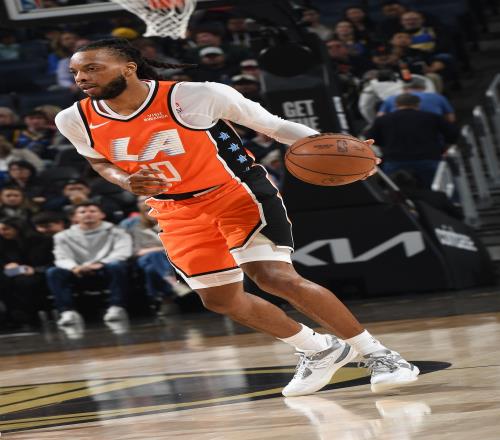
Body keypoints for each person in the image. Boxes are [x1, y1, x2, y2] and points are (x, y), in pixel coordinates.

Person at [54, 38, 419, 397]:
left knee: (273, 276)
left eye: (92, 68)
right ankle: (318, 349)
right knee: (219, 300)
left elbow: (274, 126)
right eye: (75, 72)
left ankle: (380, 355)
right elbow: (98, 162)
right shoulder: (73, 119)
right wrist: (125, 180)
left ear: (129, 68)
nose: (82, 77)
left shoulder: (196, 95)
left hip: (236, 193)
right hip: (174, 209)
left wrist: (339, 149)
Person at [46, 201, 132, 327]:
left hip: (105, 267)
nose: (88, 214)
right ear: (74, 217)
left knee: (117, 266)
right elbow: (61, 257)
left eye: (92, 211)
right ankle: (67, 312)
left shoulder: (117, 231)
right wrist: (74, 267)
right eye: (82, 212)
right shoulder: (62, 236)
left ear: (102, 215)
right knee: (53, 272)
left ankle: (116, 307)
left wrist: (101, 263)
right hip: (77, 270)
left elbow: (123, 252)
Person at [366, 93, 459, 188]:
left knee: (397, 191)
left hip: (395, 160)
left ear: (396, 105)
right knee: (436, 188)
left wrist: (386, 145)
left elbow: (370, 137)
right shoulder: (431, 117)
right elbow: (453, 133)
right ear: (418, 104)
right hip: (428, 158)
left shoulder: (383, 120)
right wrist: (444, 147)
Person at [0, 217, 53, 328]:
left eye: (6, 229)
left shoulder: (41, 241)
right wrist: (6, 265)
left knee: (24, 282)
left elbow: (52, 261)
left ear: (18, 228)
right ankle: (11, 316)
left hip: (40, 271)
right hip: (14, 273)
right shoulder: (3, 243)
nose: (2, 232)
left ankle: (27, 316)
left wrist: (35, 269)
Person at [377, 76, 456, 122]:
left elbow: (380, 117)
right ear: (424, 87)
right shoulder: (438, 97)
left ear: (404, 88)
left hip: (398, 140)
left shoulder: (391, 98)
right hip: (433, 139)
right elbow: (451, 118)